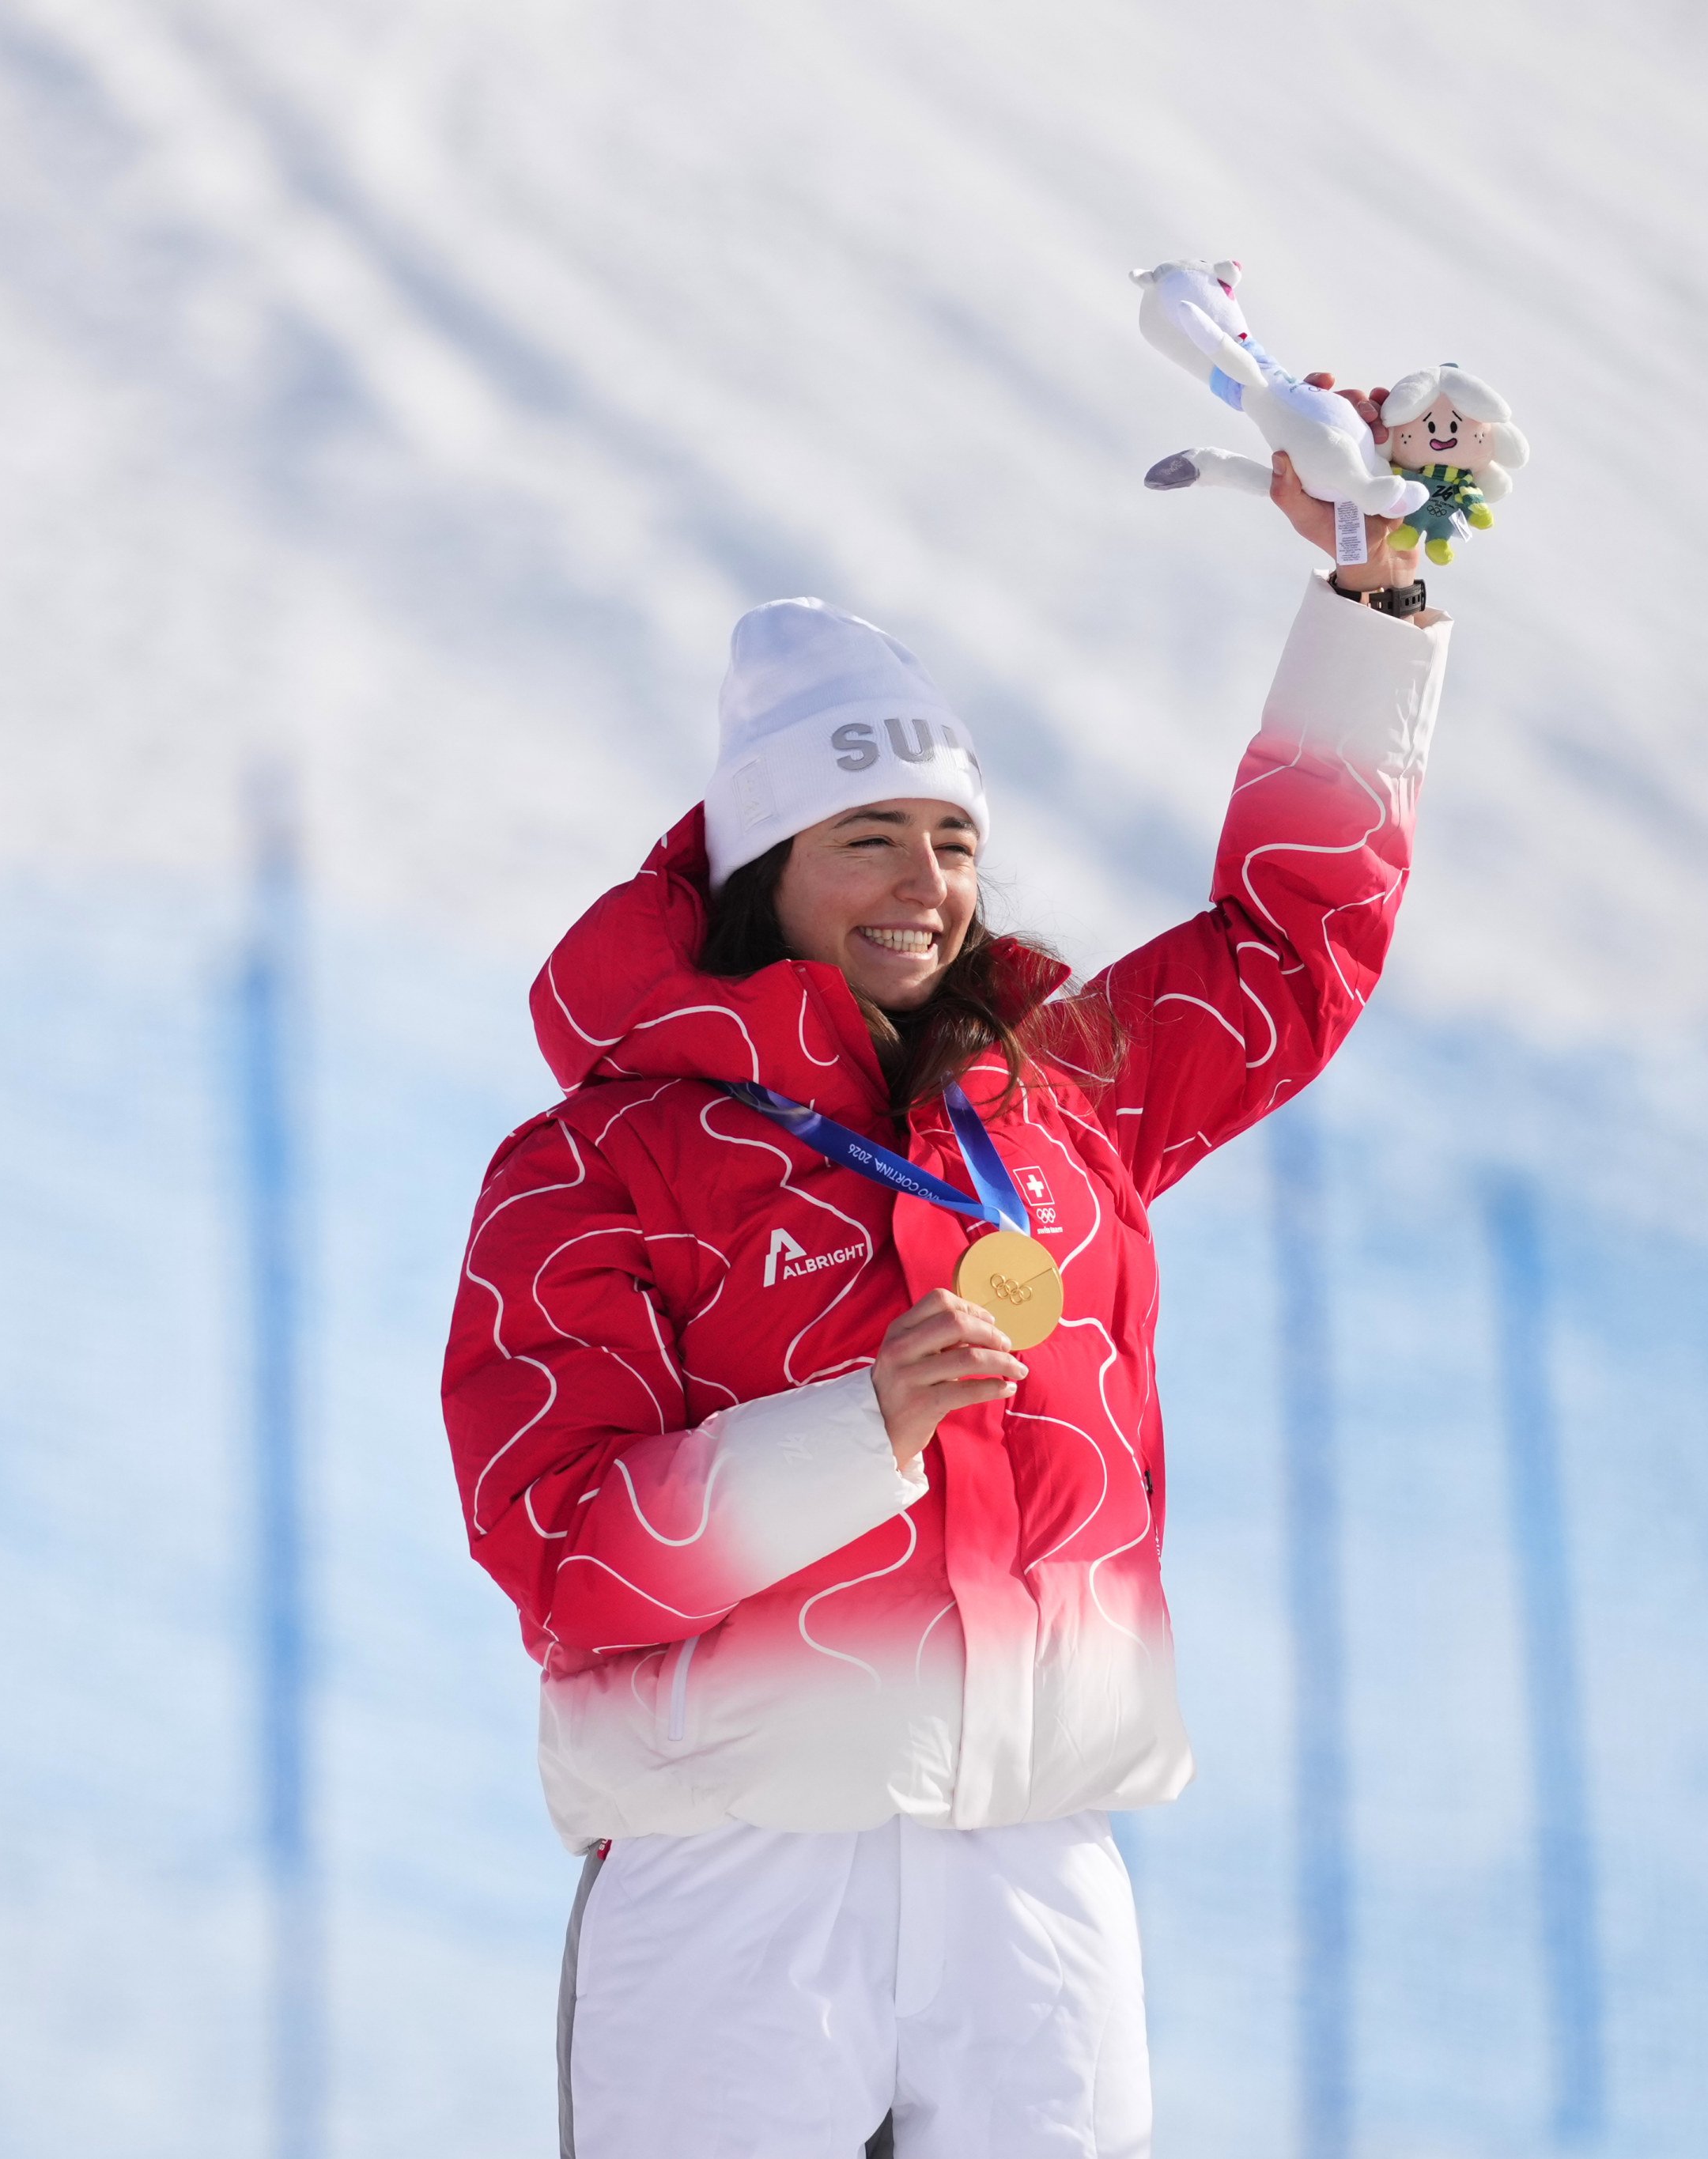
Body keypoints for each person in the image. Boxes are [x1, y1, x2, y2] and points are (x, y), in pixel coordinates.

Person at [443, 421, 1454, 2157]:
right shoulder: (598, 1158)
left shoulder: (1064, 1100)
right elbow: (559, 1545)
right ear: (764, 872)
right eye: (869, 841)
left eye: (951, 840)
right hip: (733, 1869)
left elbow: (1284, 952)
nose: (926, 885)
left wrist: (1368, 599)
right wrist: (856, 1433)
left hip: (1038, 1863)